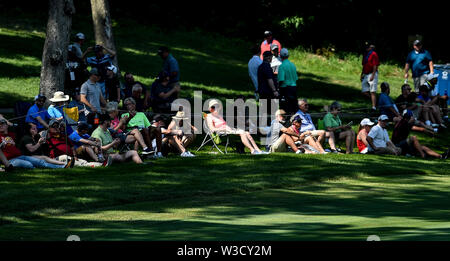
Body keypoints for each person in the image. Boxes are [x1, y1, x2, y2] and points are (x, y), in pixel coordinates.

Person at [1, 118, 72, 169]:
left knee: (41, 161)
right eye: (33, 129)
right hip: (11, 159)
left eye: (2, 124)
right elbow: (31, 150)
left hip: (20, 156)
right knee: (29, 164)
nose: (0, 126)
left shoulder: (12, 134)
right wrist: (39, 143)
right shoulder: (26, 138)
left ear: (7, 126)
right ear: (29, 130)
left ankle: (63, 166)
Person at [277, 48, 298, 115]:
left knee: (286, 107)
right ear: (288, 56)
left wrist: (278, 88)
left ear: (280, 56)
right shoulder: (293, 65)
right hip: (294, 87)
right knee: (293, 106)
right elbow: (296, 78)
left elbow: (281, 79)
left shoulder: (281, 66)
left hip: (285, 88)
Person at [360, 42, 379, 111]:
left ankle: (374, 106)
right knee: (364, 91)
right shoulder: (365, 54)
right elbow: (364, 65)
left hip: (372, 73)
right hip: (366, 73)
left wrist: (373, 75)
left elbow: (375, 65)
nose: (367, 48)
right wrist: (362, 74)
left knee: (372, 91)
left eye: (368, 47)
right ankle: (376, 101)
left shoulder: (374, 54)